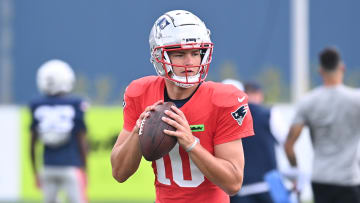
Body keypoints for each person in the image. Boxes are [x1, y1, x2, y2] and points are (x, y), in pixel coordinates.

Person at [111, 10, 254, 203]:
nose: (190, 62)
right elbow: (119, 173)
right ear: (159, 55)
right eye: (180, 54)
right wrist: (138, 131)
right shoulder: (141, 92)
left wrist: (191, 144)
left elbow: (233, 183)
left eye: (196, 53)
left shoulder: (223, 100)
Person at [285, 47, 360, 203]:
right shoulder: (355, 100)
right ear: (342, 68)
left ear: (320, 71)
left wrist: (296, 170)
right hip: (349, 178)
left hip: (321, 177)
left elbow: (289, 145)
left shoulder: (308, 101)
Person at [30, 59, 88, 203]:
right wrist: (85, 168)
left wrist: (35, 172)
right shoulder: (75, 104)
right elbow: (82, 140)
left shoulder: (37, 105)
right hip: (71, 166)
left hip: (48, 166)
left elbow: (31, 144)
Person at [230, 81, 289, 203]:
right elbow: (287, 143)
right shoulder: (269, 114)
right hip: (268, 184)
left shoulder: (228, 117)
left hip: (241, 187)